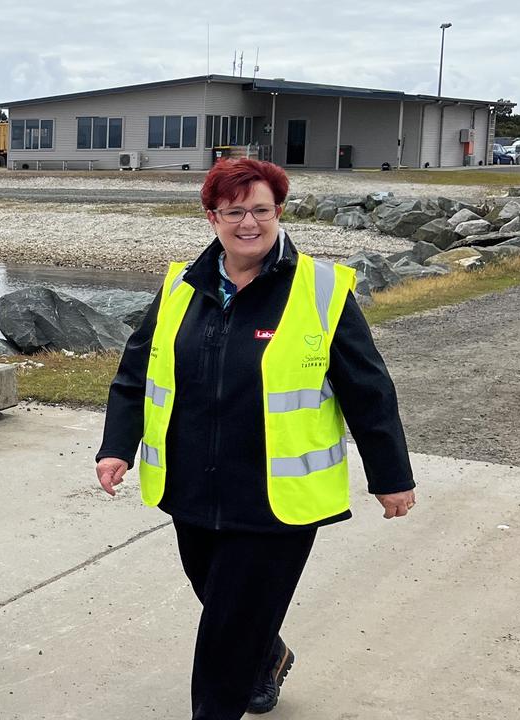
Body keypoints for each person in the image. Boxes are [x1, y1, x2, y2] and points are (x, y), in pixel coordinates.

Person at [95, 158, 417, 719]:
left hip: (276, 499)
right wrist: (117, 446)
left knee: (227, 628)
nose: (249, 223)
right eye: (234, 211)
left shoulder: (319, 289)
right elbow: (135, 373)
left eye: (261, 209)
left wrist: (391, 477)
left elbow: (368, 389)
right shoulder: (181, 287)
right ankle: (268, 655)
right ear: (212, 217)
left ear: (279, 212)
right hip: (193, 484)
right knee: (221, 598)